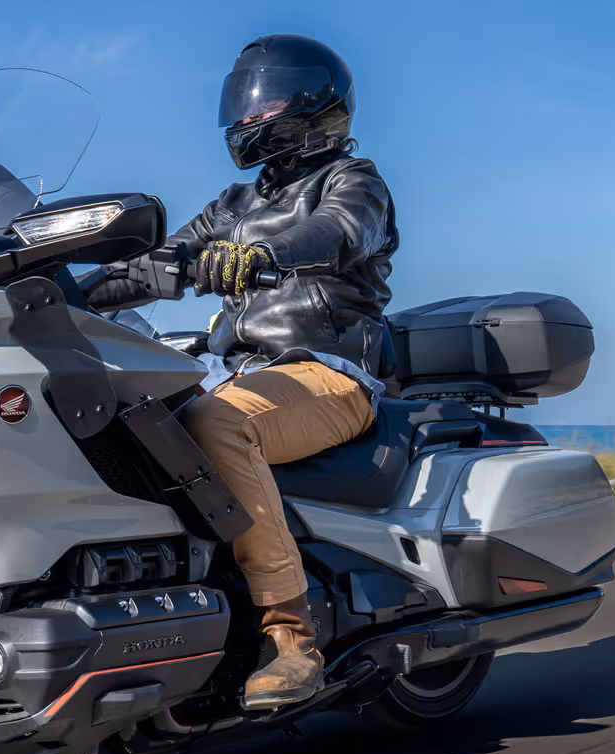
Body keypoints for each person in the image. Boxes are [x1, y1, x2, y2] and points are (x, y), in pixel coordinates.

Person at [86, 34, 394, 710]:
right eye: (247, 102)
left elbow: (339, 232)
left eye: (268, 100)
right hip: (236, 372)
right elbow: (155, 262)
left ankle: (292, 640)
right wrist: (65, 285)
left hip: (328, 372)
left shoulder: (353, 181)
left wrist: (261, 254)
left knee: (213, 422)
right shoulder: (232, 203)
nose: (252, 115)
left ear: (314, 106)